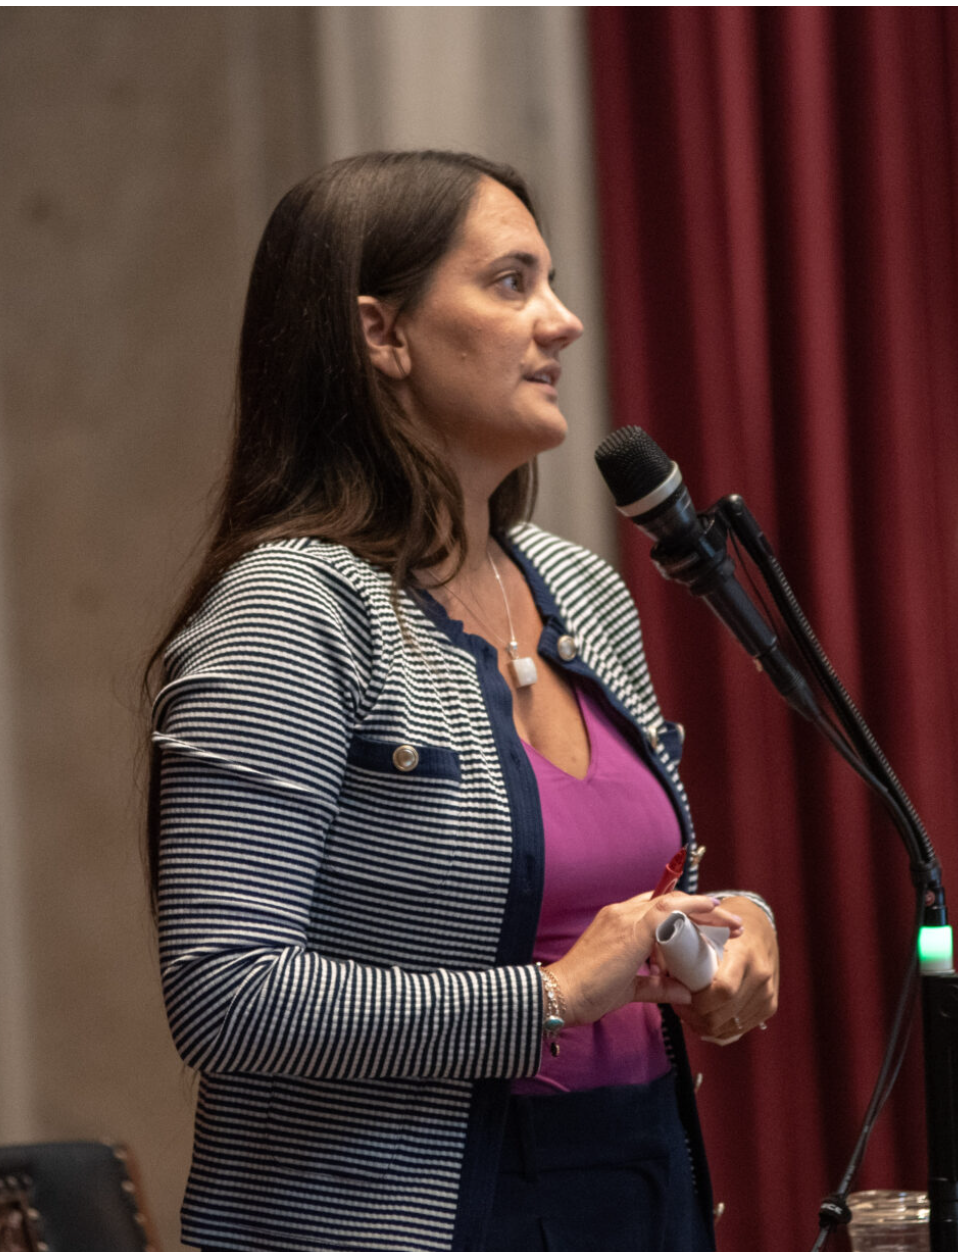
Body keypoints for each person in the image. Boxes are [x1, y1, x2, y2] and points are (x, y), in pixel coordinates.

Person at [143, 151, 779, 1252]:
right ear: (381, 334)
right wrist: (546, 1000)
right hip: (394, 1214)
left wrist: (730, 923)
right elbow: (225, 996)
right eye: (511, 282)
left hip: (632, 1182)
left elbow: (613, 900)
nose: (563, 322)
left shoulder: (579, 584)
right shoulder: (291, 613)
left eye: (551, 282)